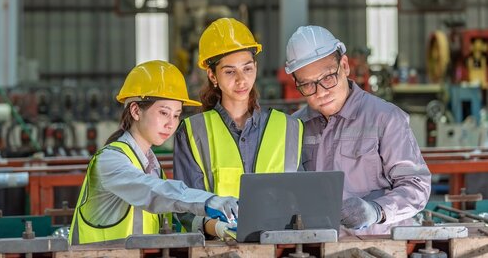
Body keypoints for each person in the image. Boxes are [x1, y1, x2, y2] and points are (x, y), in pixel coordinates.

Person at [69, 60, 238, 245]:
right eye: (164, 113)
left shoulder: (152, 168)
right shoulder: (110, 161)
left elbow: (173, 219)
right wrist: (209, 201)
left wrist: (217, 227)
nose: (171, 124)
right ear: (135, 110)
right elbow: (154, 192)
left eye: (176, 115)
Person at [284, 25, 431, 235]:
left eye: (327, 78)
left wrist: (376, 210)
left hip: (380, 248)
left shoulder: (385, 118)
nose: (321, 92)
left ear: (344, 66)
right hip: (320, 246)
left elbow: (416, 187)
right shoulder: (294, 126)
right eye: (307, 85)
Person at [174, 18, 303, 239]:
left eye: (247, 68)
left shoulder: (290, 128)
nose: (242, 80)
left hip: (278, 248)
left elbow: (300, 197)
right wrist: (217, 228)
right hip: (217, 250)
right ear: (213, 76)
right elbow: (186, 208)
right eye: (230, 72)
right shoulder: (192, 131)